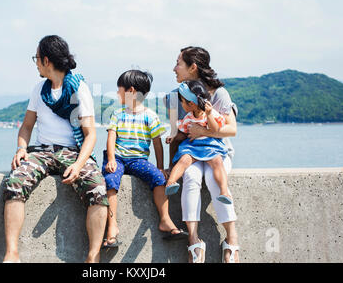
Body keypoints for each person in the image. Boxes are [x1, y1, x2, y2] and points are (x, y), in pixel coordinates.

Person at [2, 35, 109, 263]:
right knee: (15, 182)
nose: (36, 64)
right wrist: (21, 148)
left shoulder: (78, 88)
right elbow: (26, 127)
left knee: (97, 189)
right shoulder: (39, 90)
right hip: (41, 151)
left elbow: (90, 135)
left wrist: (79, 165)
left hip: (72, 151)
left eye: (37, 58)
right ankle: (12, 253)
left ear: (47, 60)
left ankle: (93, 257)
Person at [165, 46, 240, 263]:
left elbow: (231, 129)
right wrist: (172, 166)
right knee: (190, 177)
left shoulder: (219, 94)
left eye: (178, 63)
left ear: (193, 67)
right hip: (190, 152)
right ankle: (194, 241)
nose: (174, 68)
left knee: (213, 179)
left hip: (217, 151)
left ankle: (232, 240)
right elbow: (175, 136)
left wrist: (204, 131)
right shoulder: (174, 98)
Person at [101, 69, 188, 248]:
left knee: (157, 178)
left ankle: (165, 219)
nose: (117, 93)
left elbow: (157, 144)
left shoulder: (151, 116)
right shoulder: (117, 114)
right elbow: (111, 138)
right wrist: (110, 159)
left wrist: (161, 168)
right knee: (110, 180)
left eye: (119, 89)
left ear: (131, 90)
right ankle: (112, 226)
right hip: (117, 157)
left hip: (138, 160)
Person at [165, 80, 232, 206]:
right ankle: (171, 182)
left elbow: (215, 129)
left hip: (210, 146)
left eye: (182, 102)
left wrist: (210, 114)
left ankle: (224, 192)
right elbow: (183, 132)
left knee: (217, 162)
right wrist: (173, 137)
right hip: (192, 146)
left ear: (190, 103)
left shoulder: (211, 113)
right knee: (184, 160)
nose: (181, 104)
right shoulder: (188, 117)